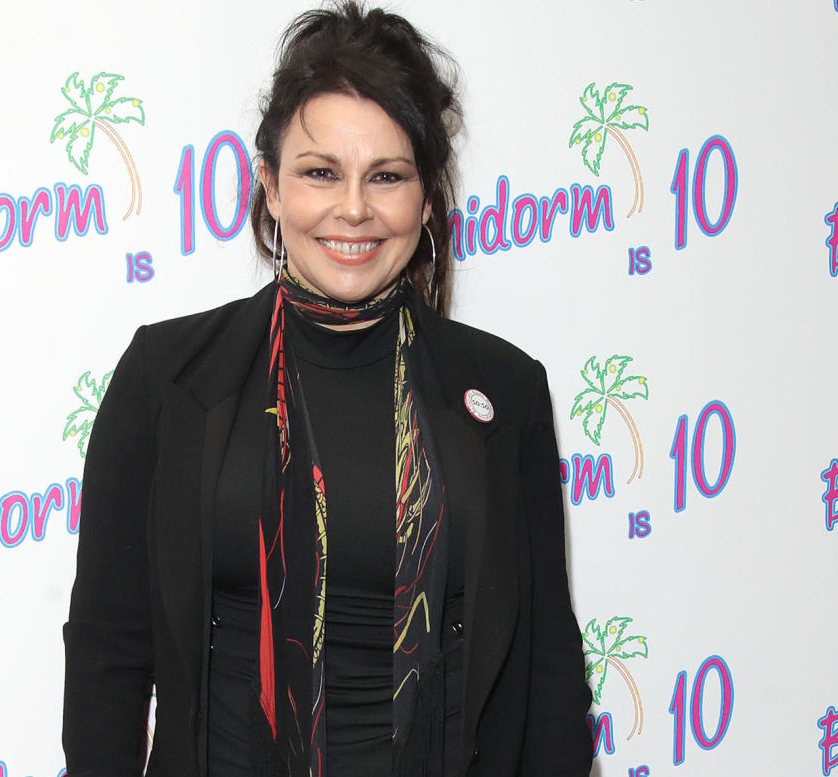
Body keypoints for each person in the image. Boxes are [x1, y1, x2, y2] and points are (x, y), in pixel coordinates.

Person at [62, 3, 593, 776]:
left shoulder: (504, 392)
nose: (353, 208)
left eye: (387, 176)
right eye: (320, 173)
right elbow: (110, 650)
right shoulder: (167, 376)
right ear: (271, 187)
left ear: (426, 197)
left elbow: (546, 666)